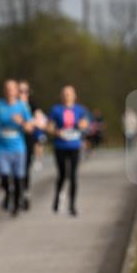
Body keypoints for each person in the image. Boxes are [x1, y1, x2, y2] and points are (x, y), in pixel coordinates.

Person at [0, 79, 34, 217]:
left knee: (18, 178)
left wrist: (21, 122)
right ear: (4, 90)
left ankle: (16, 205)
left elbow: (30, 128)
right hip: (2, 148)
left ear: (17, 91)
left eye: (12, 88)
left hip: (18, 147)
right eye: (7, 88)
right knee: (4, 176)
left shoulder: (22, 106)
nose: (10, 91)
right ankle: (8, 193)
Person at [48, 85, 90, 217]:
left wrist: (84, 124)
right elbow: (49, 127)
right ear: (61, 96)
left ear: (74, 95)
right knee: (62, 175)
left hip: (74, 146)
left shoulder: (80, 110)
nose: (67, 96)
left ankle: (72, 206)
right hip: (60, 145)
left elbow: (86, 124)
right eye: (65, 94)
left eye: (69, 94)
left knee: (73, 176)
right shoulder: (56, 110)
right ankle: (57, 197)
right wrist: (56, 131)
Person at [18, 80, 38, 210]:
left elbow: (39, 121)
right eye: (20, 91)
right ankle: (13, 192)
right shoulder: (9, 105)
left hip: (27, 141)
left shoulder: (33, 105)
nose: (22, 94)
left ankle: (25, 192)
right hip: (10, 143)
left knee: (25, 168)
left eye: (25, 91)